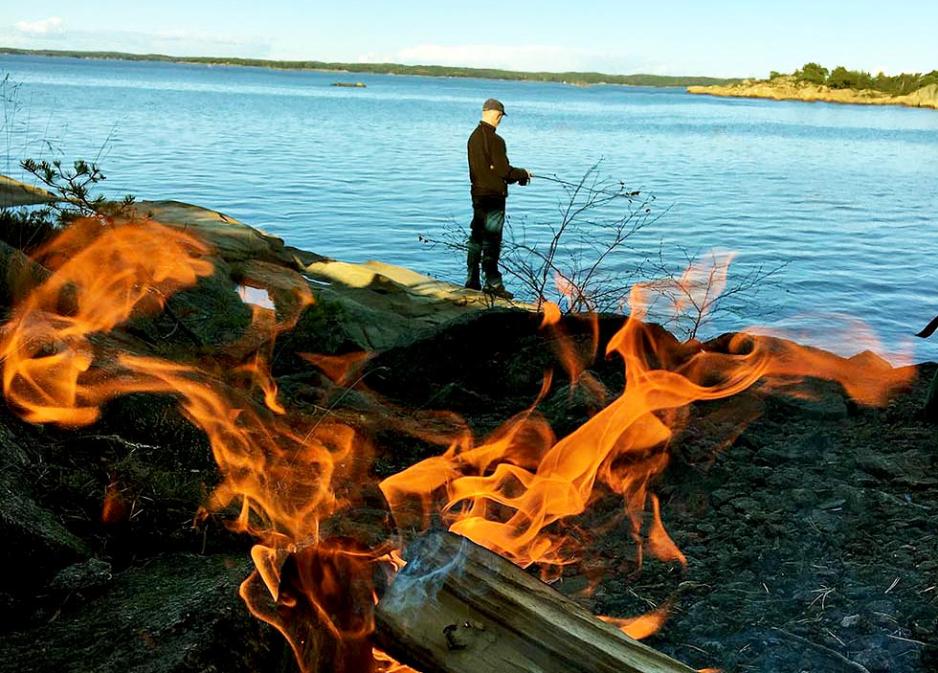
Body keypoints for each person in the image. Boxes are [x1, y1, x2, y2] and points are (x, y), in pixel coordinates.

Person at [465, 98, 531, 298]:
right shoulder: (496, 140)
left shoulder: (473, 138)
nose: (500, 120)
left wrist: (514, 176)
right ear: (496, 115)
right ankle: (493, 283)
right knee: (492, 241)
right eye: (501, 116)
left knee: (477, 236)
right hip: (494, 197)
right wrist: (523, 174)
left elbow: (492, 170)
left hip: (478, 194)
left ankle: (472, 280)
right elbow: (504, 171)